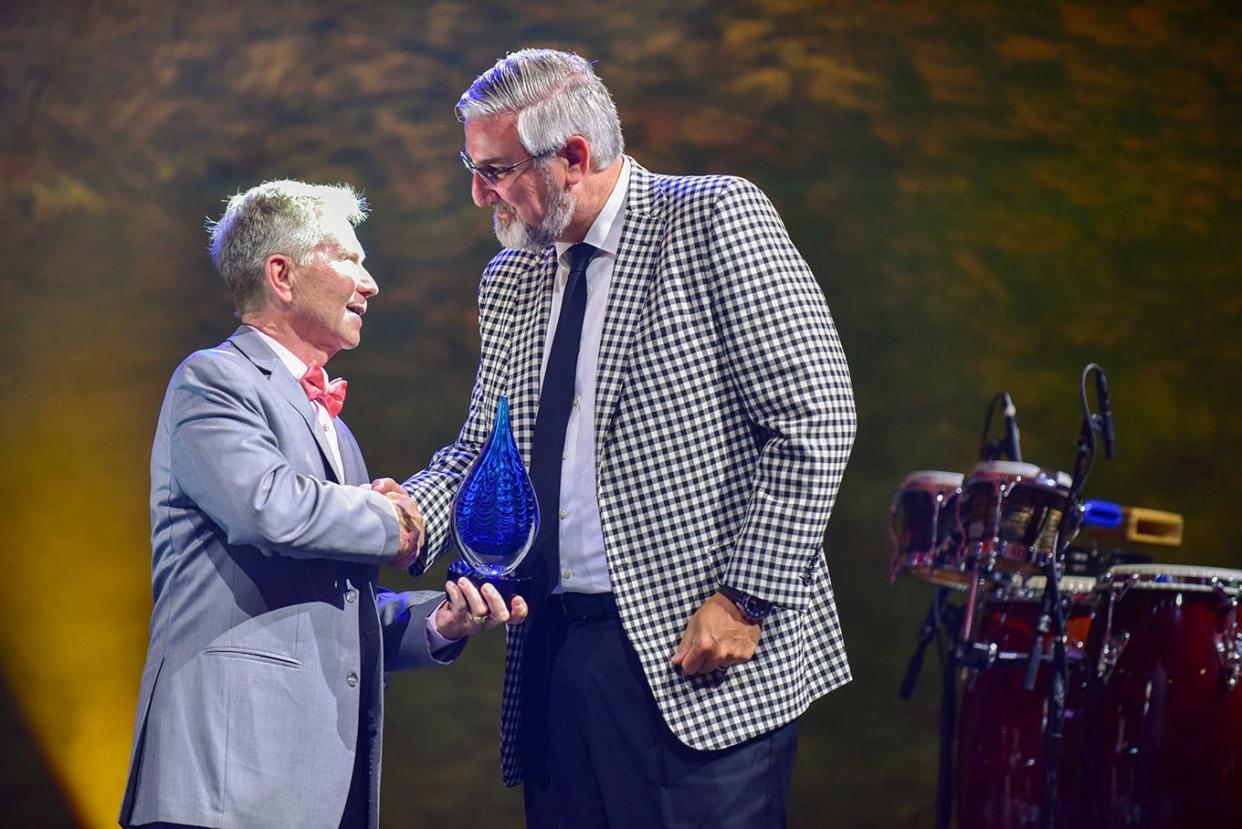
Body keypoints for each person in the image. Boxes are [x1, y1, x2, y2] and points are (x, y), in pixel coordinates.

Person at [401, 49, 856, 827]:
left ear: (573, 157)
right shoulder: (512, 276)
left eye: (498, 168)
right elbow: (482, 448)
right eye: (471, 168)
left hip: (695, 653)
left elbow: (816, 416)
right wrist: (408, 512)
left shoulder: (711, 216)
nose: (480, 193)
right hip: (556, 651)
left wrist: (745, 597)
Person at [118, 179, 526, 829]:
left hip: (318, 788)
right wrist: (396, 521)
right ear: (281, 274)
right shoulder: (213, 381)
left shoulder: (340, 436)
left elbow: (335, 612)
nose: (370, 285)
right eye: (350, 260)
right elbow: (268, 507)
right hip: (224, 783)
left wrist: (440, 622)